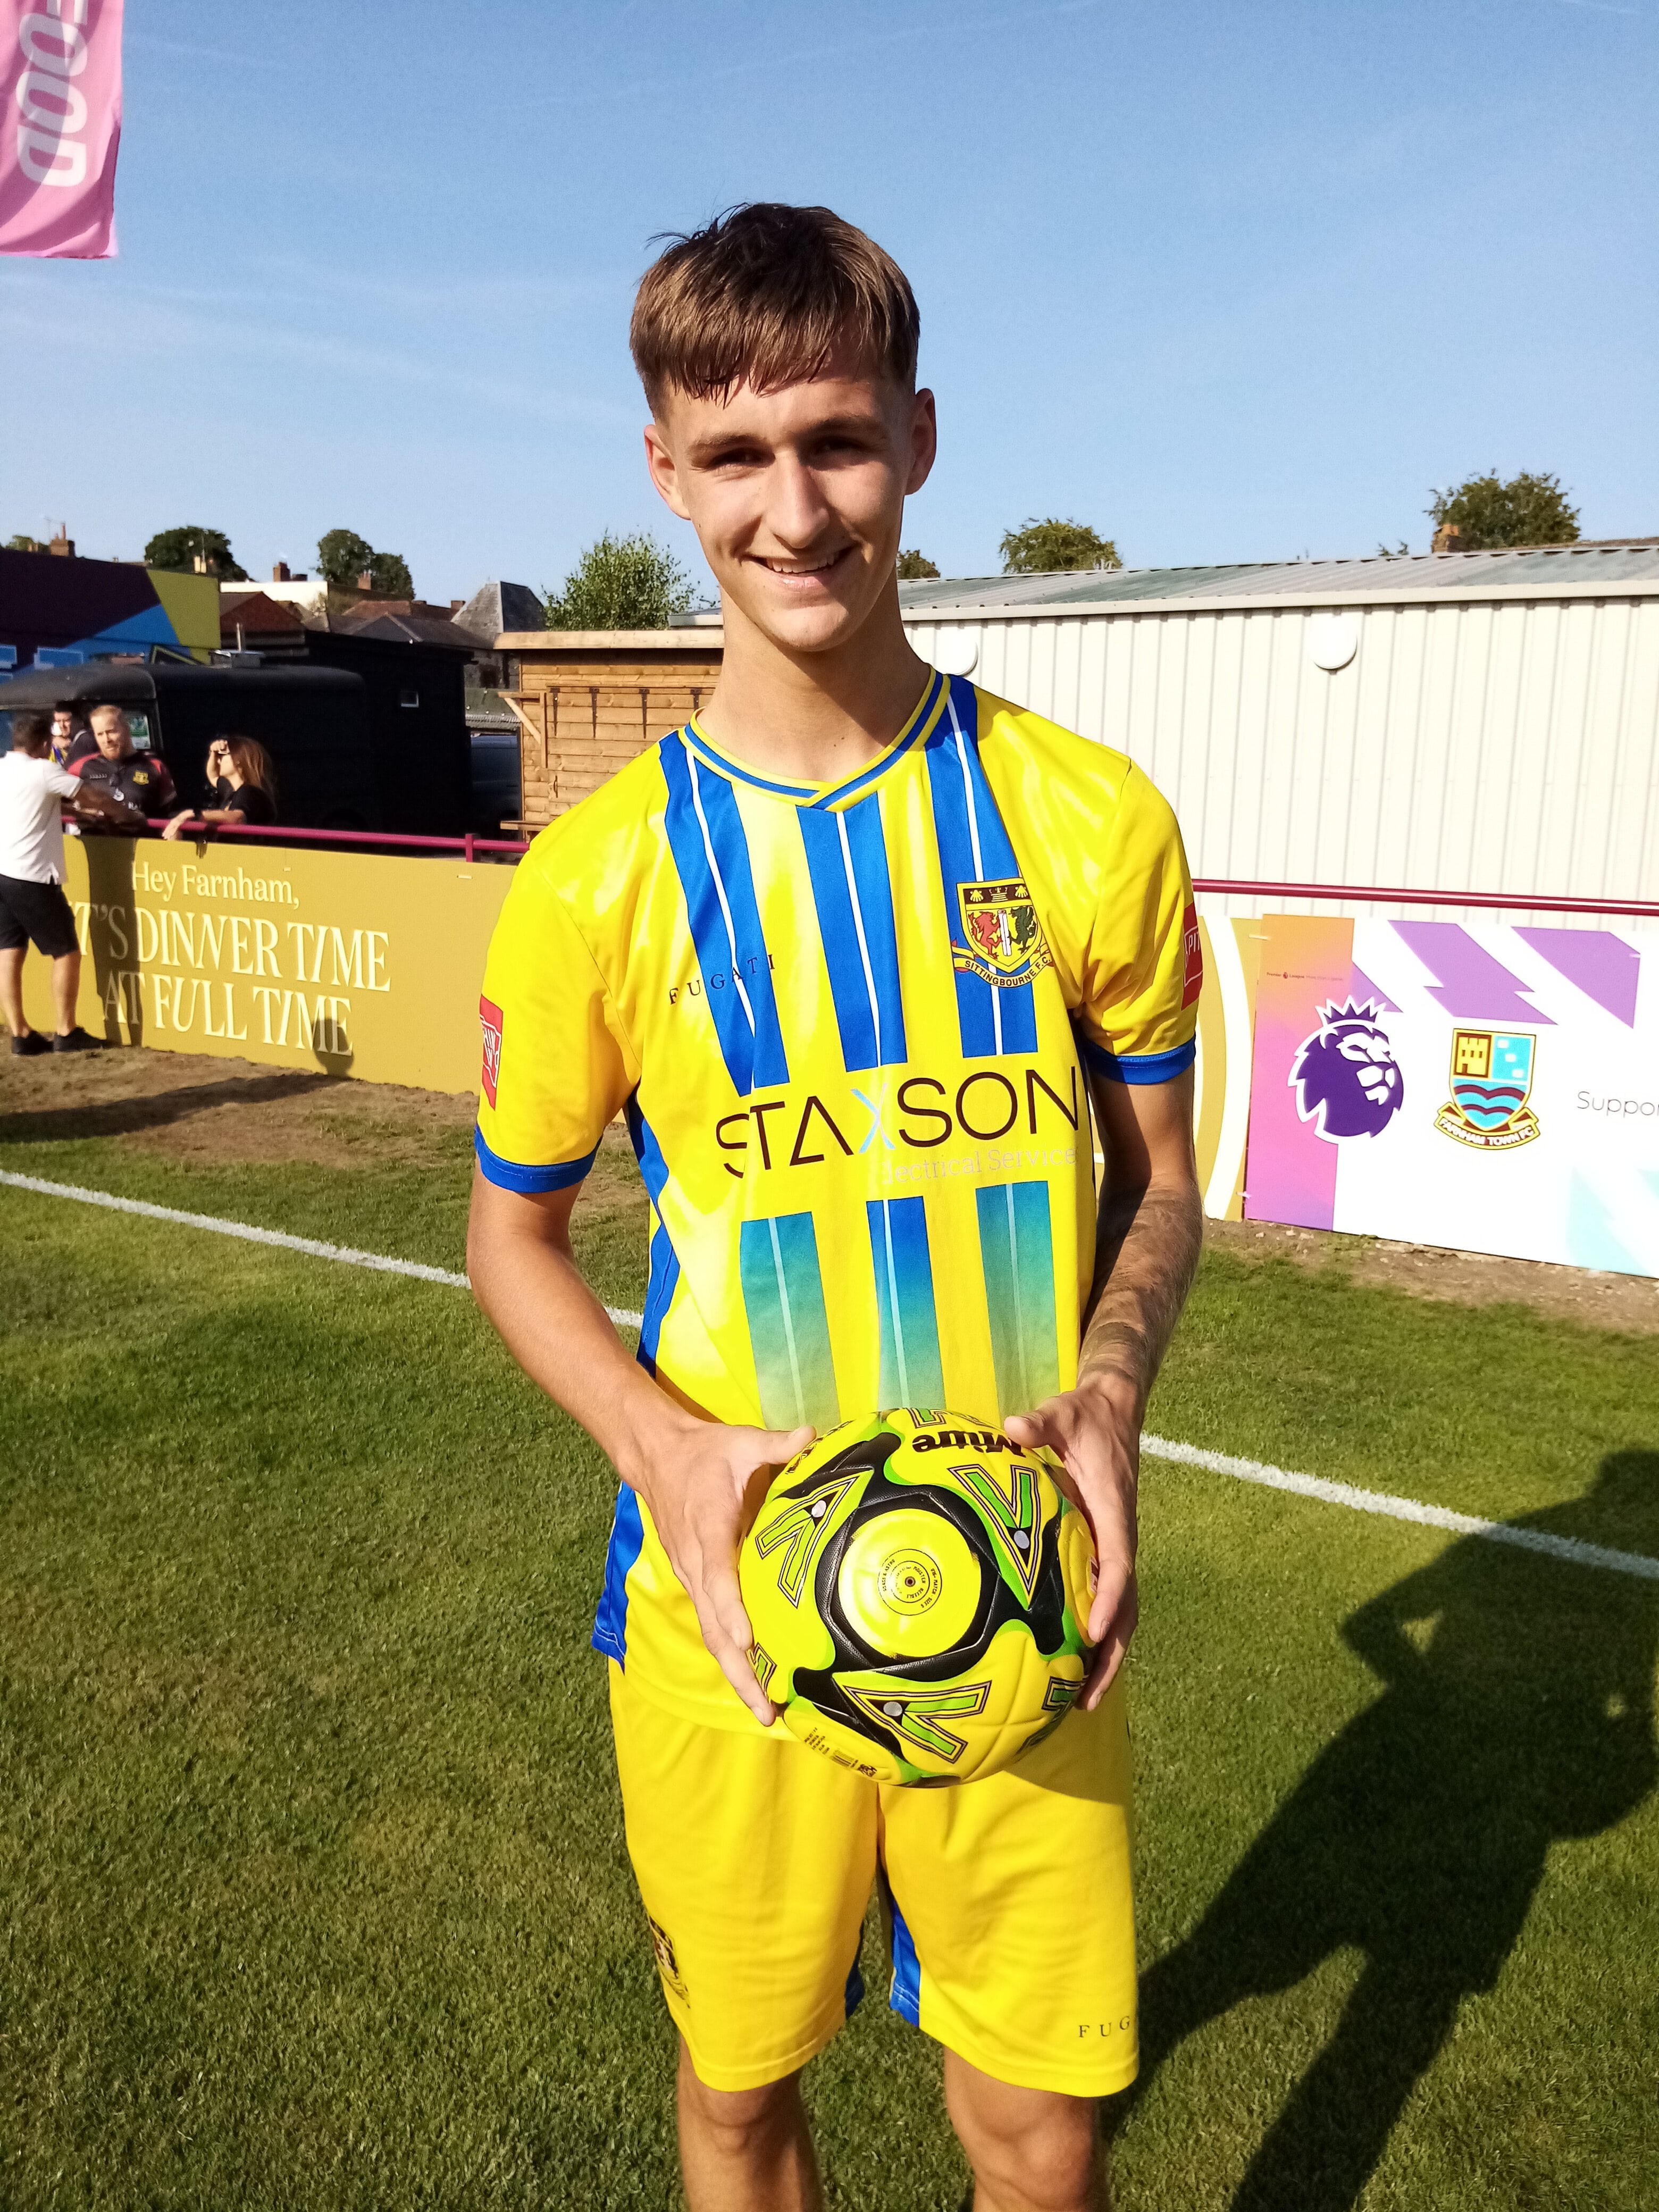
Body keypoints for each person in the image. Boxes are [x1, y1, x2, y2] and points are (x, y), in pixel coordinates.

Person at [466, 204, 1204, 2212]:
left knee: (1035, 2127)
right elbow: (508, 1234)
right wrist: (669, 1453)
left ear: (919, 439)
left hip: (1029, 1587)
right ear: (661, 473)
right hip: (723, 1618)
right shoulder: (596, 879)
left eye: (838, 442)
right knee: (736, 2097)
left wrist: (1112, 1402)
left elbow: (1159, 1182)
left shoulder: (1086, 821)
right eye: (733, 455)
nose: (793, 509)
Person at [0, 711, 125, 1053]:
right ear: (44, 745)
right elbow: (94, 798)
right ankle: (66, 1031)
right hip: (33, 875)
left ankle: (20, 1034)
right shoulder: (44, 770)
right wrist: (128, 814)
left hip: (3, 872)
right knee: (67, 952)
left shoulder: (2, 768)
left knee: (9, 953)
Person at [73, 702, 178, 831]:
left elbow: (174, 814)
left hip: (143, 846)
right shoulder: (81, 767)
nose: (107, 740)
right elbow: (56, 803)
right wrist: (79, 812)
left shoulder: (154, 766)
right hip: (95, 845)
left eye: (111, 732)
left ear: (127, 729)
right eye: (100, 734)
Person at [162, 734, 278, 840]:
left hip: (246, 859)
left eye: (221, 756)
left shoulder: (250, 792)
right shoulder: (231, 790)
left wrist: (194, 814)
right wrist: (214, 751)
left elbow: (238, 818)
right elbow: (213, 775)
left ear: (238, 760)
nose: (218, 760)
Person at [49, 701, 88, 768]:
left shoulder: (85, 739)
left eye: (67, 721)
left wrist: (69, 747)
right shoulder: (51, 742)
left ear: (76, 721)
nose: (62, 725)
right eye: (58, 721)